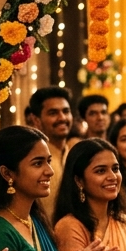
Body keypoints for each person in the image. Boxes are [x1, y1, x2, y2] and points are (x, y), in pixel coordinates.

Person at [27, 86, 79, 221]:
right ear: (36, 120)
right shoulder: (31, 161)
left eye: (66, 111)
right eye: (53, 113)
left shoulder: (74, 155)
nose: (62, 118)